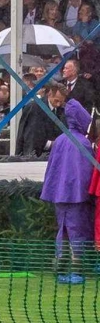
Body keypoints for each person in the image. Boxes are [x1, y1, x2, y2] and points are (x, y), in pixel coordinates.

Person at [41, 83, 94, 284]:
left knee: (62, 228)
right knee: (77, 229)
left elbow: (52, 170)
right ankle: (76, 267)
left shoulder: (61, 140)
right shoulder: (85, 143)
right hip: (78, 196)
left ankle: (60, 263)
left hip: (59, 195)